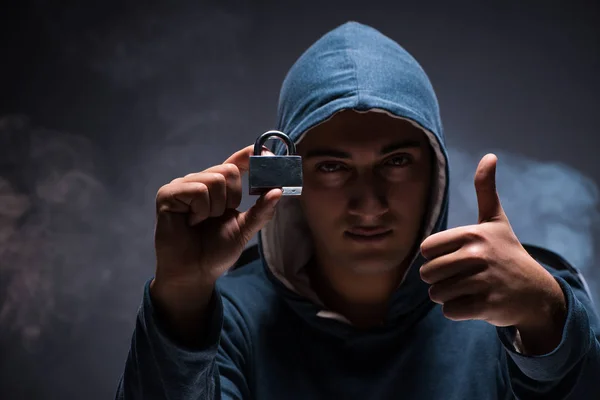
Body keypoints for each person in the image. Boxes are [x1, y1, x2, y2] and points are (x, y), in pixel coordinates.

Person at [116, 21, 600, 399]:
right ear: (289, 177)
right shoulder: (227, 315)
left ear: (435, 172)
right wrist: (180, 296)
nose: (369, 203)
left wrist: (547, 319)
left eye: (396, 161)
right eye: (332, 166)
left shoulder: (512, 301)